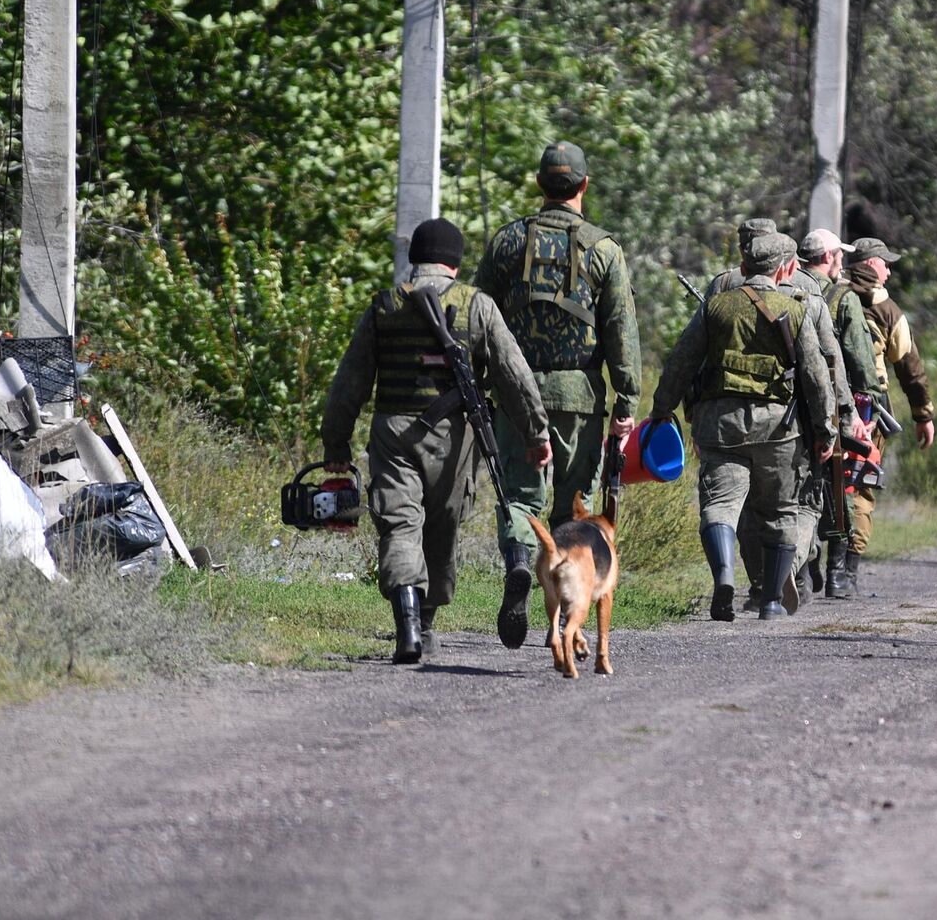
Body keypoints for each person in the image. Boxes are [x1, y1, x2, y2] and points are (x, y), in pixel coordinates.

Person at [321, 217, 550, 664]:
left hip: (392, 433)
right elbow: (514, 376)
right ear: (455, 262)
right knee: (443, 527)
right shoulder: (477, 305)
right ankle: (424, 623)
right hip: (453, 439)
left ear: (415, 259)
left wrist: (336, 444)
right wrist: (536, 432)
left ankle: (406, 625)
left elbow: (349, 381)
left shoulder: (384, 305)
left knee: (400, 525)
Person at [474, 141, 640, 650]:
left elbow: (481, 318)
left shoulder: (506, 243)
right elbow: (621, 330)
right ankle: (570, 604)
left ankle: (522, 563)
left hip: (516, 394)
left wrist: (482, 385)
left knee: (521, 497)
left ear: (540, 185)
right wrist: (626, 401)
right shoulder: (604, 249)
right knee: (574, 504)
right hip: (579, 395)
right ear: (584, 187)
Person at [649, 232, 836, 621]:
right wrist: (825, 432)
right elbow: (817, 377)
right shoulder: (796, 308)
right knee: (781, 512)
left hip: (721, 429)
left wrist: (661, 410)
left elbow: (681, 362)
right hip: (780, 433)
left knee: (720, 506)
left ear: (743, 266)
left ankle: (724, 579)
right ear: (785, 269)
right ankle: (770, 602)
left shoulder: (715, 307)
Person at [702, 219, 855, 610]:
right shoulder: (807, 293)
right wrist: (835, 423)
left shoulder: (720, 290)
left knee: (739, 507)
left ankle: (755, 585)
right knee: (798, 505)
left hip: (724, 418)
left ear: (744, 252)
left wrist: (675, 408)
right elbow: (825, 366)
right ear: (784, 261)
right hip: (791, 420)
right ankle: (780, 582)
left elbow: (692, 359)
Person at [844, 237, 935, 593]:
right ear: (870, 265)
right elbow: (909, 367)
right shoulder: (888, 309)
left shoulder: (829, 295)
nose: (890, 269)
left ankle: (810, 568)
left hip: (822, 403)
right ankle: (846, 571)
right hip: (868, 409)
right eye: (885, 262)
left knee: (819, 482)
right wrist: (922, 414)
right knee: (861, 483)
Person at [799, 228, 885, 598]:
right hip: (835, 404)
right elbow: (860, 360)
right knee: (840, 484)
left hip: (789, 406)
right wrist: (872, 402)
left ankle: (802, 573)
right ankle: (837, 576)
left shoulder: (788, 286)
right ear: (831, 257)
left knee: (798, 489)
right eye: (838, 257)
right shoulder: (843, 298)